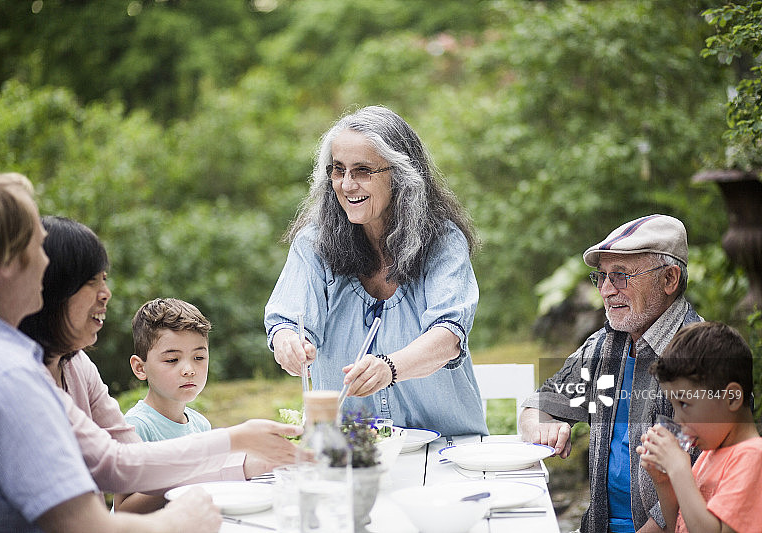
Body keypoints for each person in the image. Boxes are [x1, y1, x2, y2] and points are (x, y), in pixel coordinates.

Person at [0, 168, 221, 532]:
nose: (45, 262)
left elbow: (116, 459)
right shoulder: (7, 378)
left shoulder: (2, 358)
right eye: (37, 246)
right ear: (6, 264)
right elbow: (86, 525)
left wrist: (230, 448)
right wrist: (183, 519)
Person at [18, 216, 300, 512]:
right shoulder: (19, 380)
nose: (106, 293)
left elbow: (132, 459)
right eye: (91, 282)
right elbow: (117, 472)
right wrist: (235, 442)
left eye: (104, 279)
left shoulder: (77, 365)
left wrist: (245, 458)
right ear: (48, 288)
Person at [264, 105, 487, 436]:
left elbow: (448, 338)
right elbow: (287, 321)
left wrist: (390, 368)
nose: (347, 185)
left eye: (363, 170)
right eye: (338, 170)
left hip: (447, 447)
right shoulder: (313, 243)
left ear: (399, 174)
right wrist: (288, 343)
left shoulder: (442, 241)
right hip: (352, 447)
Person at [519, 214, 703, 533]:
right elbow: (537, 404)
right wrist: (541, 425)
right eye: (601, 277)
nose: (605, 290)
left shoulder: (705, 355)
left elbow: (708, 481)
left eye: (620, 276)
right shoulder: (606, 344)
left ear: (670, 279)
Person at [637, 322, 762, 533]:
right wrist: (663, 482)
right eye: (674, 406)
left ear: (732, 398)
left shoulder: (752, 457)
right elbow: (681, 527)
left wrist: (679, 469)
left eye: (684, 403)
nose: (677, 419)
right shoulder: (708, 454)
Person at [126, 297, 214, 442]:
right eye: (172, 360)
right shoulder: (136, 428)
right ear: (140, 368)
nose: (189, 370)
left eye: (198, 357)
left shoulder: (202, 426)